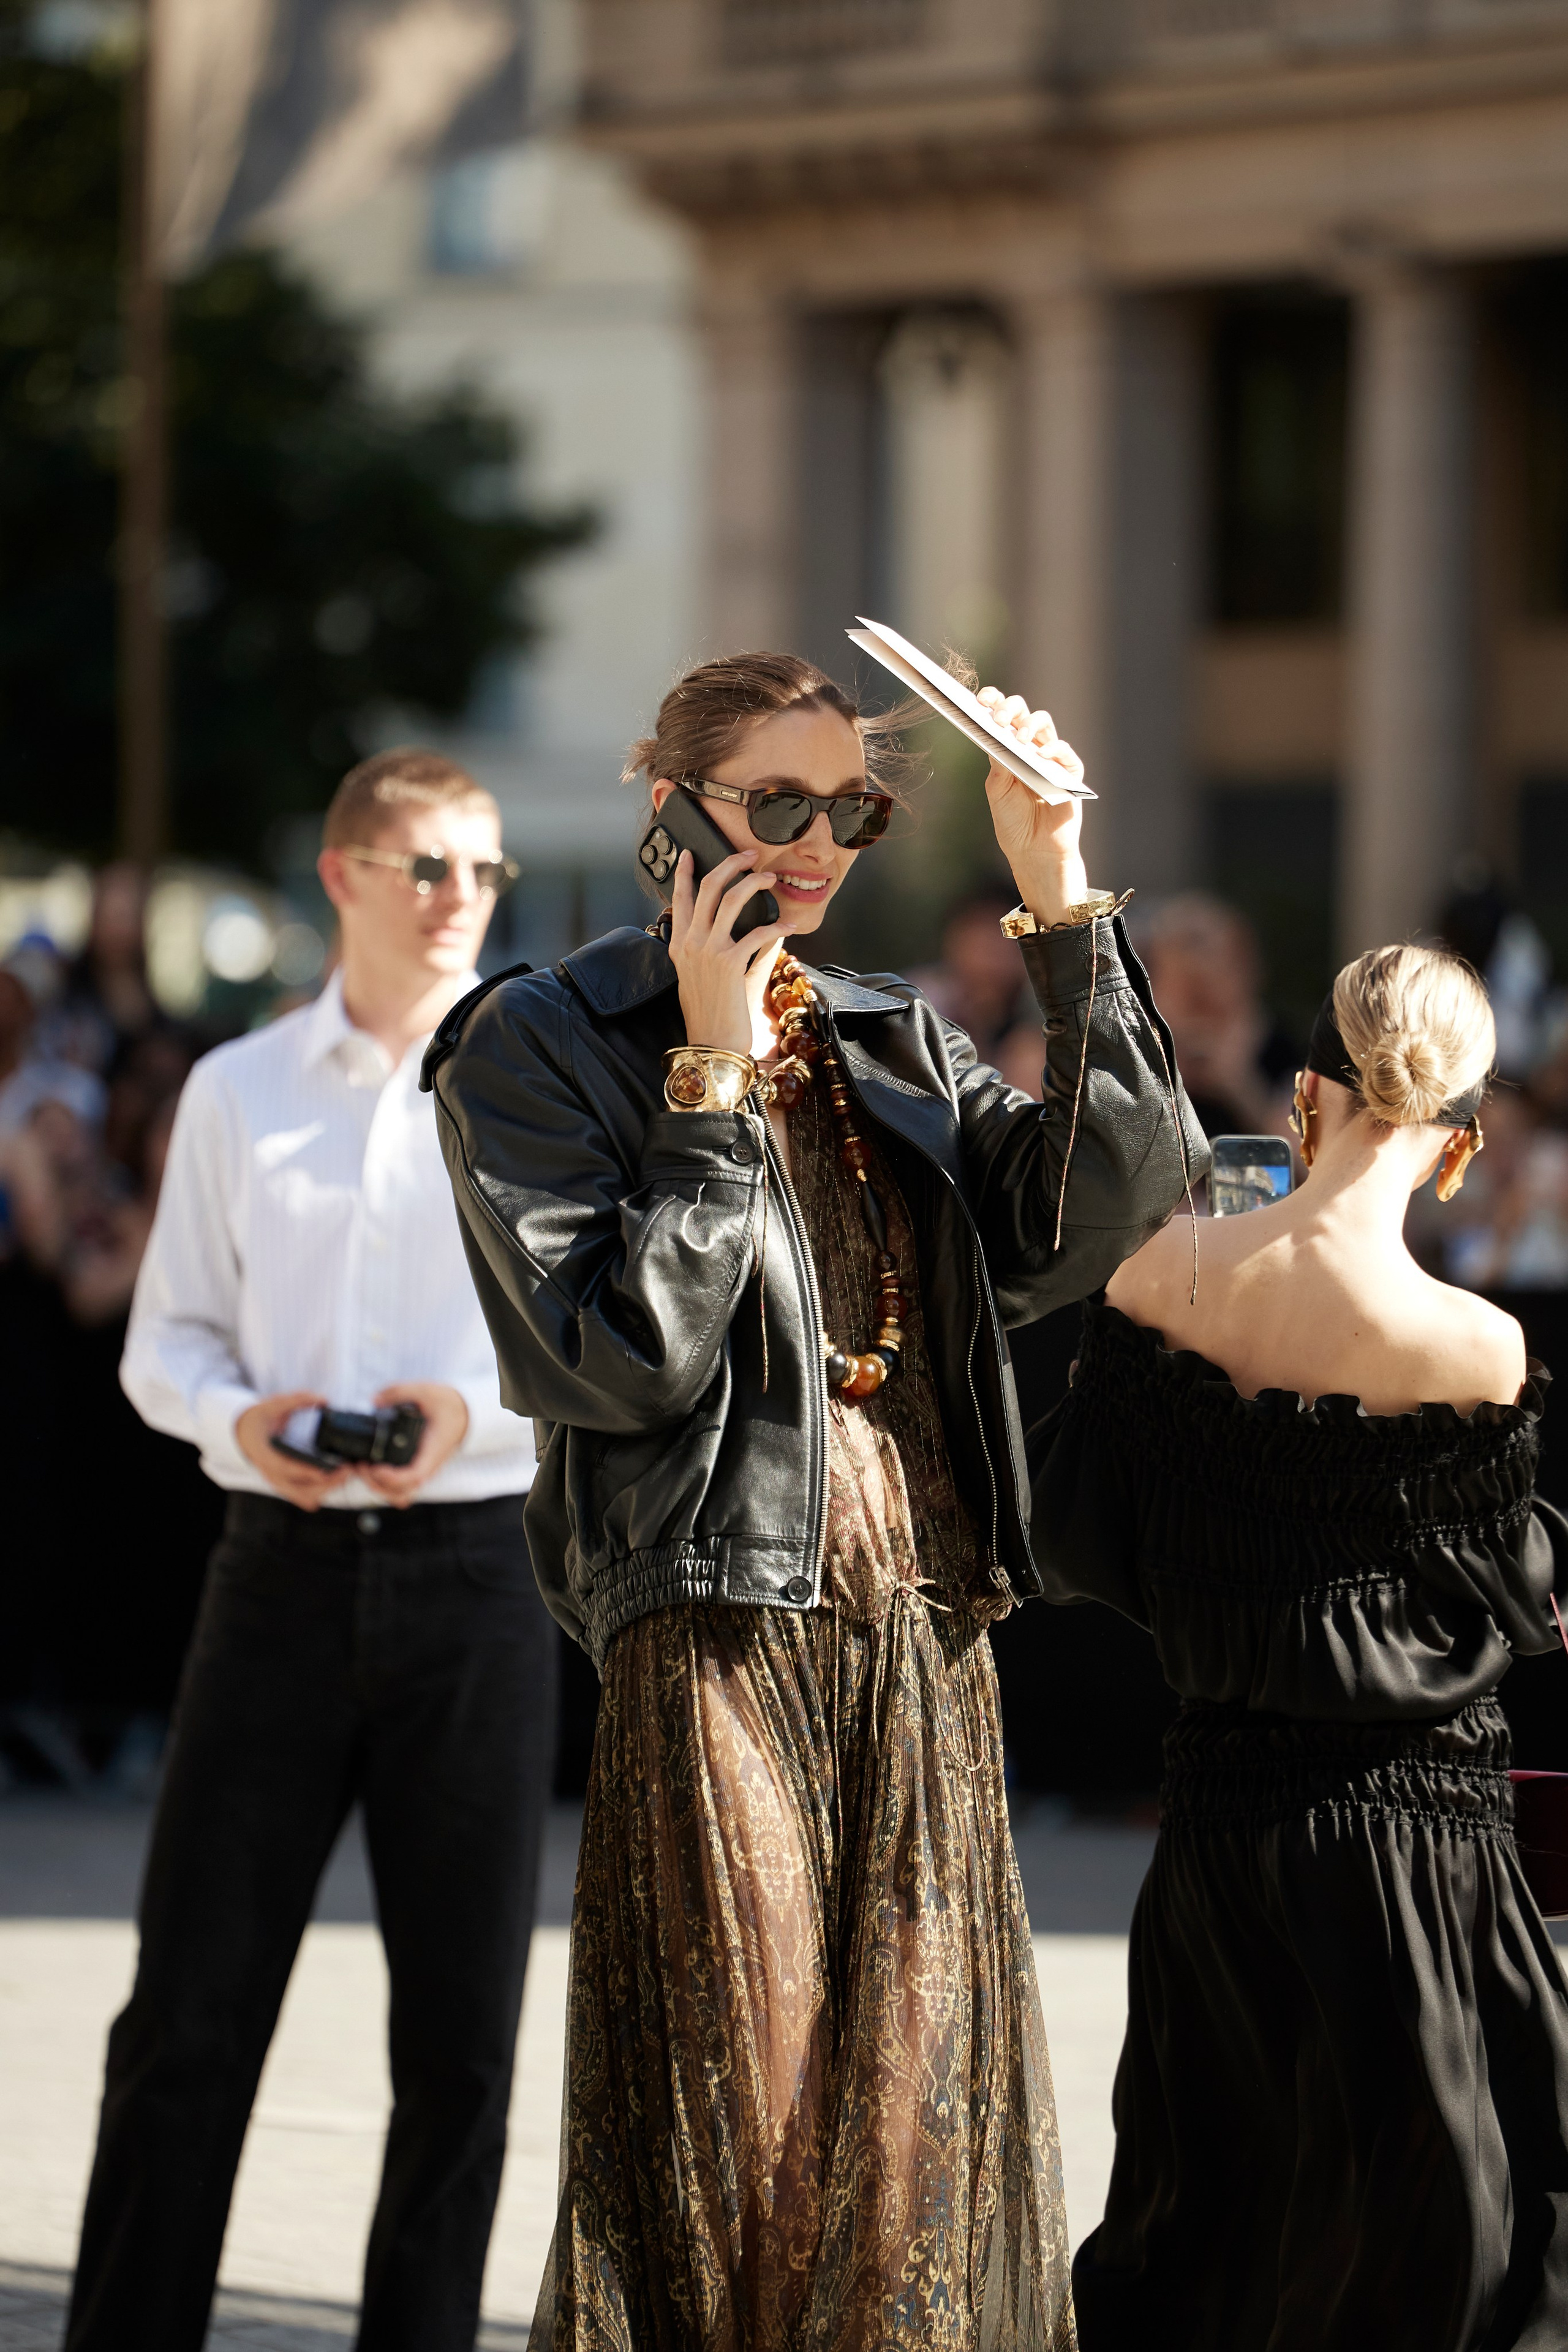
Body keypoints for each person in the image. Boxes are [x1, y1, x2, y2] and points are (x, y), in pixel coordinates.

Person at [423, 650, 1207, 2349]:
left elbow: (1118, 1208)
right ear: (668, 808)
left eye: (844, 808)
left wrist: (1061, 898)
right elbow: (617, 1366)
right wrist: (707, 1078)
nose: (813, 843)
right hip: (715, 1623)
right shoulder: (536, 1045)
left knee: (918, 2126)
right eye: (773, 804)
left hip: (924, 1624)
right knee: (743, 2106)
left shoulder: (891, 1035)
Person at [66, 752, 555, 2352]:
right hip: (272, 1575)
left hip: (482, 1585)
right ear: (342, 876)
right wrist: (245, 1424)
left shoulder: (542, 1096)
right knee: (186, 2017)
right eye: (427, 867)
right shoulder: (238, 1089)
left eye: (482, 872)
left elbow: (609, 1360)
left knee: (463, 2042)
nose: (460, 900)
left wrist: (461, 1421)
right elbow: (164, 1347)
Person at [1031, 943, 1568, 2351]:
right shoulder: (1473, 1345)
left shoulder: (1160, 1277)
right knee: (1438, 2239)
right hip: (1410, 1841)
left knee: (1206, 2221)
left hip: (1214, 1828)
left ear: (1305, 1097)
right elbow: (1496, 1612)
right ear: (1455, 1148)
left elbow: (1084, 1535)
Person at [1132, 891, 1297, 1140]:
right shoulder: (1132, 1053)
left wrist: (1241, 1089)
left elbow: (1307, 1162)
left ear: (1246, 968)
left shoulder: (1291, 1057)